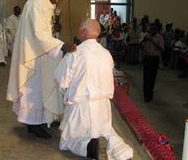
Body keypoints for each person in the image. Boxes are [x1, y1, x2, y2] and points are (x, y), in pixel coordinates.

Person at [6, 0, 76, 139]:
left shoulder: (45, 4)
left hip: (41, 53)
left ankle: (44, 119)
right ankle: (32, 124)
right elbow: (38, 35)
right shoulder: (36, 4)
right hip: (32, 55)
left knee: (44, 87)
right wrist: (62, 46)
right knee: (34, 90)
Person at [55, 19, 133, 160]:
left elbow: (62, 80)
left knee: (70, 140)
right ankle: (115, 147)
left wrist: (66, 93)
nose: (79, 31)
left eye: (80, 28)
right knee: (105, 130)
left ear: (84, 32)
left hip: (81, 106)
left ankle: (87, 146)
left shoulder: (75, 52)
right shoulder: (106, 54)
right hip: (103, 106)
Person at [141, 23, 164, 102]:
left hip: (154, 59)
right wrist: (144, 40)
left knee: (152, 77)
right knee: (145, 77)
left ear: (156, 30)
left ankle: (150, 94)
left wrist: (153, 41)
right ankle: (146, 95)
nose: (151, 30)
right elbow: (141, 45)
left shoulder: (160, 37)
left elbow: (161, 49)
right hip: (147, 58)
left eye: (153, 29)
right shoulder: (147, 35)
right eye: (151, 29)